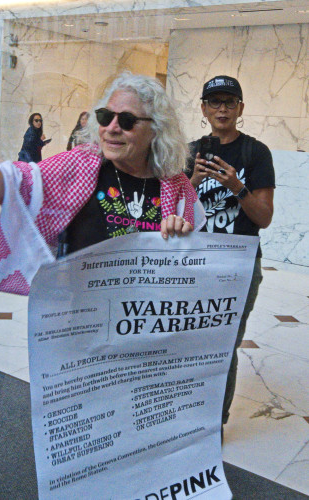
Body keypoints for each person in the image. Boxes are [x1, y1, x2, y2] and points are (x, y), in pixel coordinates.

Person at [0, 72, 206, 297]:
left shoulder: (177, 187)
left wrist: (183, 238)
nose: (112, 128)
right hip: (81, 318)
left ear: (155, 129)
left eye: (127, 120)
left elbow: (195, 265)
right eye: (105, 116)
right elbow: (18, 183)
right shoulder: (79, 165)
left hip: (142, 320)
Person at [187, 75, 275, 428]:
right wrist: (192, 182)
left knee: (224, 344)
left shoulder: (256, 152)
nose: (221, 108)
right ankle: (185, 415)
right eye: (214, 101)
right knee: (187, 341)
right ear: (203, 108)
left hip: (239, 264)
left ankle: (213, 423)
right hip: (193, 263)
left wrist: (237, 186)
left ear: (241, 108)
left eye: (229, 102)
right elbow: (169, 213)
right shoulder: (188, 152)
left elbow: (264, 217)